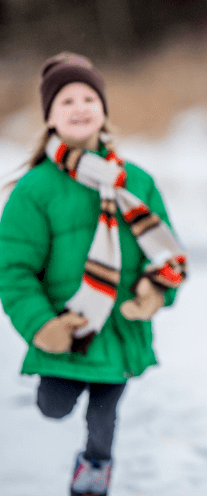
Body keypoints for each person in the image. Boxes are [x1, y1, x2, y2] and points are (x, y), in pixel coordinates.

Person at [0, 52, 187, 496]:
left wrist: (156, 290)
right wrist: (41, 326)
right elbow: (13, 269)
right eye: (66, 101)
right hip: (69, 323)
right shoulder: (35, 190)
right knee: (53, 405)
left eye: (89, 97)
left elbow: (166, 251)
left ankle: (94, 473)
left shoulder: (134, 181)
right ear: (49, 117)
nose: (80, 107)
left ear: (103, 110)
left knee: (105, 411)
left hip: (119, 326)